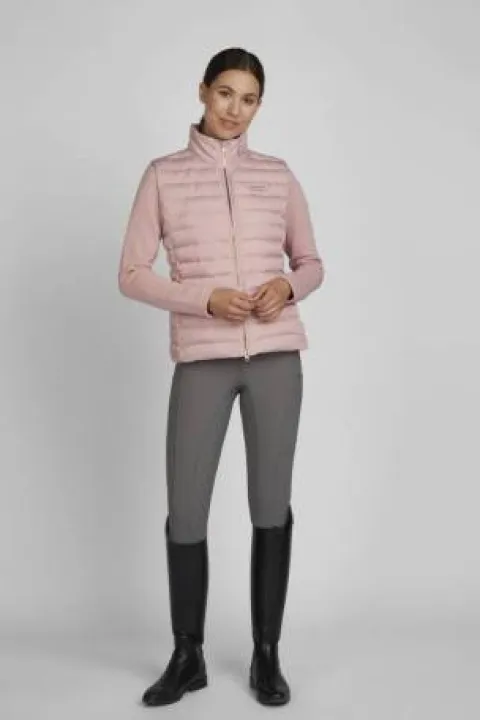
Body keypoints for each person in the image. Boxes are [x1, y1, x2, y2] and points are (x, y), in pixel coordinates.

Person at [118, 46, 325, 707]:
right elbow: (131, 274)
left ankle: (267, 655)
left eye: (250, 98)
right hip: (202, 358)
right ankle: (188, 657)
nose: (236, 109)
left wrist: (286, 288)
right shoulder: (163, 175)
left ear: (260, 105)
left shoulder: (277, 175)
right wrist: (204, 299)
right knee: (186, 510)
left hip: (276, 359)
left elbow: (311, 263)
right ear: (203, 91)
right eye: (226, 93)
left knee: (270, 504)